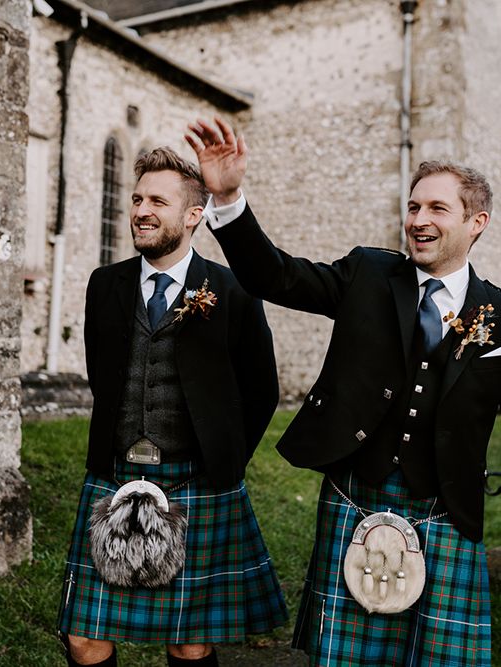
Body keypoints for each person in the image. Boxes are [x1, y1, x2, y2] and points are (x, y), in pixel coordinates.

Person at [185, 116, 500, 666]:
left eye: (437, 209)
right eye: (413, 207)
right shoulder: (369, 275)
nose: (418, 221)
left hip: (445, 507)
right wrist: (230, 198)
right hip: (359, 493)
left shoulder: (499, 314)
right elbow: (275, 276)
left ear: (477, 222)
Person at [57, 146, 287, 666]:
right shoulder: (105, 285)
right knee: (83, 637)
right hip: (113, 478)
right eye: (137, 199)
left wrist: (221, 458)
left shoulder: (232, 291)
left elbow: (262, 390)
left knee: (189, 640)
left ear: (193, 215)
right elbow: (104, 376)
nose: (141, 210)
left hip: (196, 482)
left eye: (157, 201)